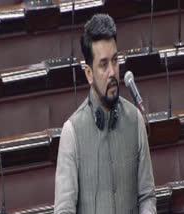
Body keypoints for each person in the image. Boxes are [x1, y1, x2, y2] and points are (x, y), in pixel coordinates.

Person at [54, 14, 156, 214]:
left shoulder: (135, 120)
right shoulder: (72, 133)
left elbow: (147, 196)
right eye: (103, 64)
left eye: (115, 60)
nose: (112, 72)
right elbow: (64, 210)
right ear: (89, 73)